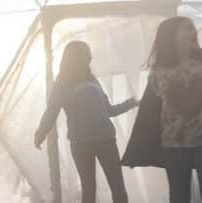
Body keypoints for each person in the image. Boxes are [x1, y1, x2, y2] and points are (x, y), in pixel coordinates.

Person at [122, 16, 202, 203]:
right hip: (173, 146)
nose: (194, 32)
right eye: (187, 29)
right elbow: (148, 114)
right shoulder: (158, 72)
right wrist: (137, 149)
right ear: (171, 36)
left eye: (194, 28)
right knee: (178, 197)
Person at [34, 40, 138, 203]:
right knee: (89, 190)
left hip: (106, 141)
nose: (90, 57)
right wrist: (41, 132)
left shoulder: (93, 80)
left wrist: (130, 103)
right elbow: (52, 110)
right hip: (80, 144)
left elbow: (108, 110)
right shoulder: (61, 84)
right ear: (74, 57)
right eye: (86, 53)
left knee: (118, 186)